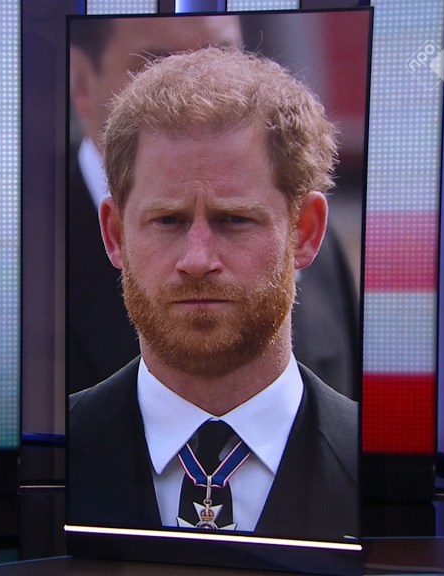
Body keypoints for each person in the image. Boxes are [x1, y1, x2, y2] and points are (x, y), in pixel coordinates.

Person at [68, 47, 357, 542]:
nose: (198, 259)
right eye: (168, 220)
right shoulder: (52, 457)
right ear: (114, 234)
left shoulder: (379, 470)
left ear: (305, 232)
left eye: (234, 219)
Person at [66, 15, 359, 399]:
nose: (196, 81)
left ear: (306, 231)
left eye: (220, 55)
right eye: (156, 64)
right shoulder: (20, 258)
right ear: (81, 82)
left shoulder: (314, 242)